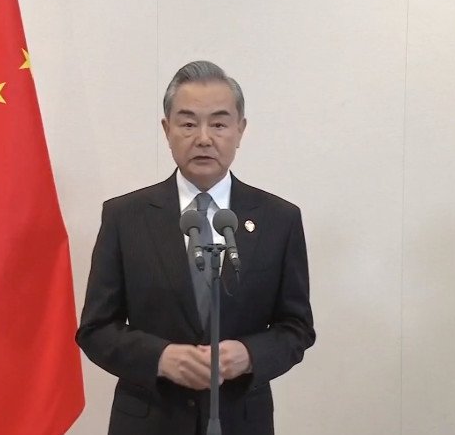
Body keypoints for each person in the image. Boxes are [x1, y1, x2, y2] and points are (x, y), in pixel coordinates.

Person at [76, 60, 315, 435]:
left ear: (240, 130)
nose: (204, 138)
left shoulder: (278, 218)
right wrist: (161, 358)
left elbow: (297, 328)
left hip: (241, 421)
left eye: (219, 124)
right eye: (188, 124)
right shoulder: (126, 216)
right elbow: (95, 329)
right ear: (166, 130)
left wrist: (249, 355)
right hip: (150, 421)